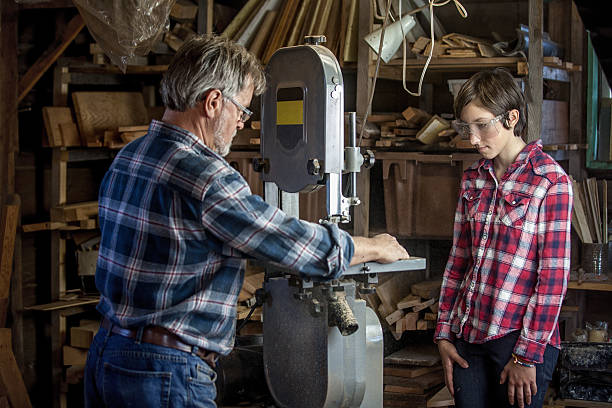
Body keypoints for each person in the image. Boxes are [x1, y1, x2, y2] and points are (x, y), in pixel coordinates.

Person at [84, 34, 409, 408]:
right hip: (167, 371)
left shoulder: (130, 157)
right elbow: (292, 244)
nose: (242, 122)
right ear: (213, 102)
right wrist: (374, 246)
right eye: (242, 109)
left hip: (108, 354)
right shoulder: (205, 175)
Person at [434, 68, 573, 408]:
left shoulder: (550, 182)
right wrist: (443, 333)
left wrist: (526, 356)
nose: (473, 138)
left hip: (519, 339)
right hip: (468, 336)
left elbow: (553, 279)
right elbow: (458, 261)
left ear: (512, 117)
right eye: (466, 127)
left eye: (481, 124)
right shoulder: (472, 179)